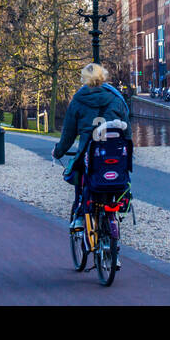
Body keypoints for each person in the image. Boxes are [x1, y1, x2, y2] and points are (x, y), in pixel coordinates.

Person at [51, 62, 129, 232]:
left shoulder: (78, 100)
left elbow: (69, 134)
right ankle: (120, 203)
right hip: (114, 153)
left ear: (84, 79)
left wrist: (58, 152)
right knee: (119, 171)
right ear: (104, 77)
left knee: (79, 172)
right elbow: (127, 132)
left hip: (89, 152)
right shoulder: (116, 99)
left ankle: (79, 216)